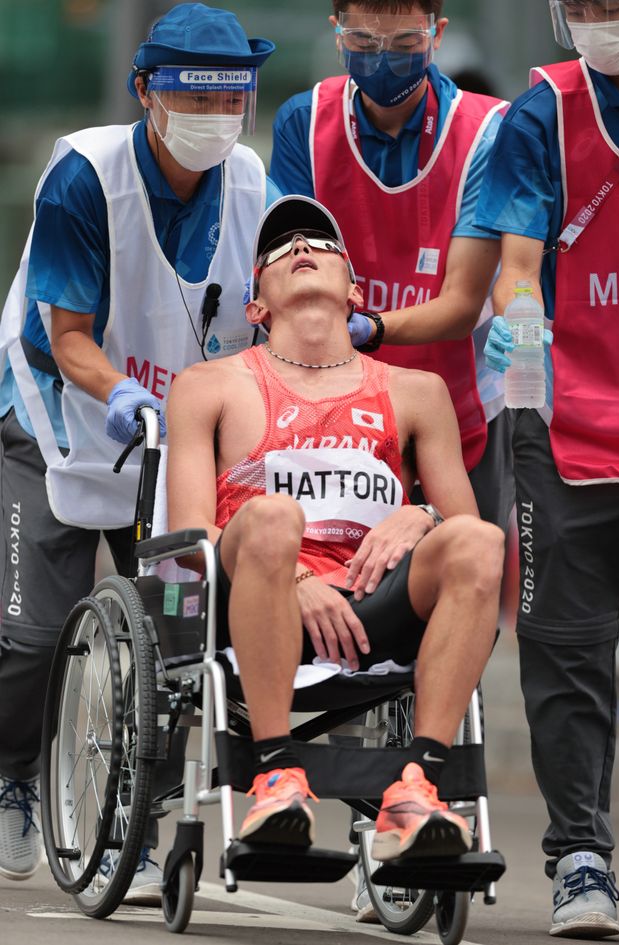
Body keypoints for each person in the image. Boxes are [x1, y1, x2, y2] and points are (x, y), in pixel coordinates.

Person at [0, 3, 277, 896]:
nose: (214, 112)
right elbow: (68, 331)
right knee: (34, 634)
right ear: (145, 91)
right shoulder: (86, 174)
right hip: (54, 420)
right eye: (193, 93)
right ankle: (11, 769)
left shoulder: (249, 183)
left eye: (230, 93)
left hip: (173, 447)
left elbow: (269, 303)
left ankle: (138, 823)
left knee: (172, 644)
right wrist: (116, 389)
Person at [166, 193, 505, 864]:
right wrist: (292, 579)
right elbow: (190, 537)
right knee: (270, 515)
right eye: (278, 250)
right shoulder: (209, 385)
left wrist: (422, 513)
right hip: (256, 601)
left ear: (354, 291)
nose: (299, 250)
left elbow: (463, 528)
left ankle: (418, 785)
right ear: (255, 306)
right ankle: (274, 772)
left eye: (319, 245)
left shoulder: (417, 393)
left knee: (481, 539)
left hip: (372, 607)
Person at [477, 0, 619, 938]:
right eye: (588, 7)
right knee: (567, 653)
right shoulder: (540, 116)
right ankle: (581, 858)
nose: (605, 20)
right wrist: (522, 321)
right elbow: (518, 260)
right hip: (568, 419)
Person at [270, 0, 514, 535]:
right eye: (362, 43)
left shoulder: (486, 131)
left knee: (464, 567)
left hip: (461, 403)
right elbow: (290, 271)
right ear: (336, 32)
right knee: (344, 587)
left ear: (437, 32)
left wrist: (370, 327)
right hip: (335, 411)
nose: (382, 61)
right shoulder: (304, 122)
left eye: (404, 45)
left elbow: (460, 305)